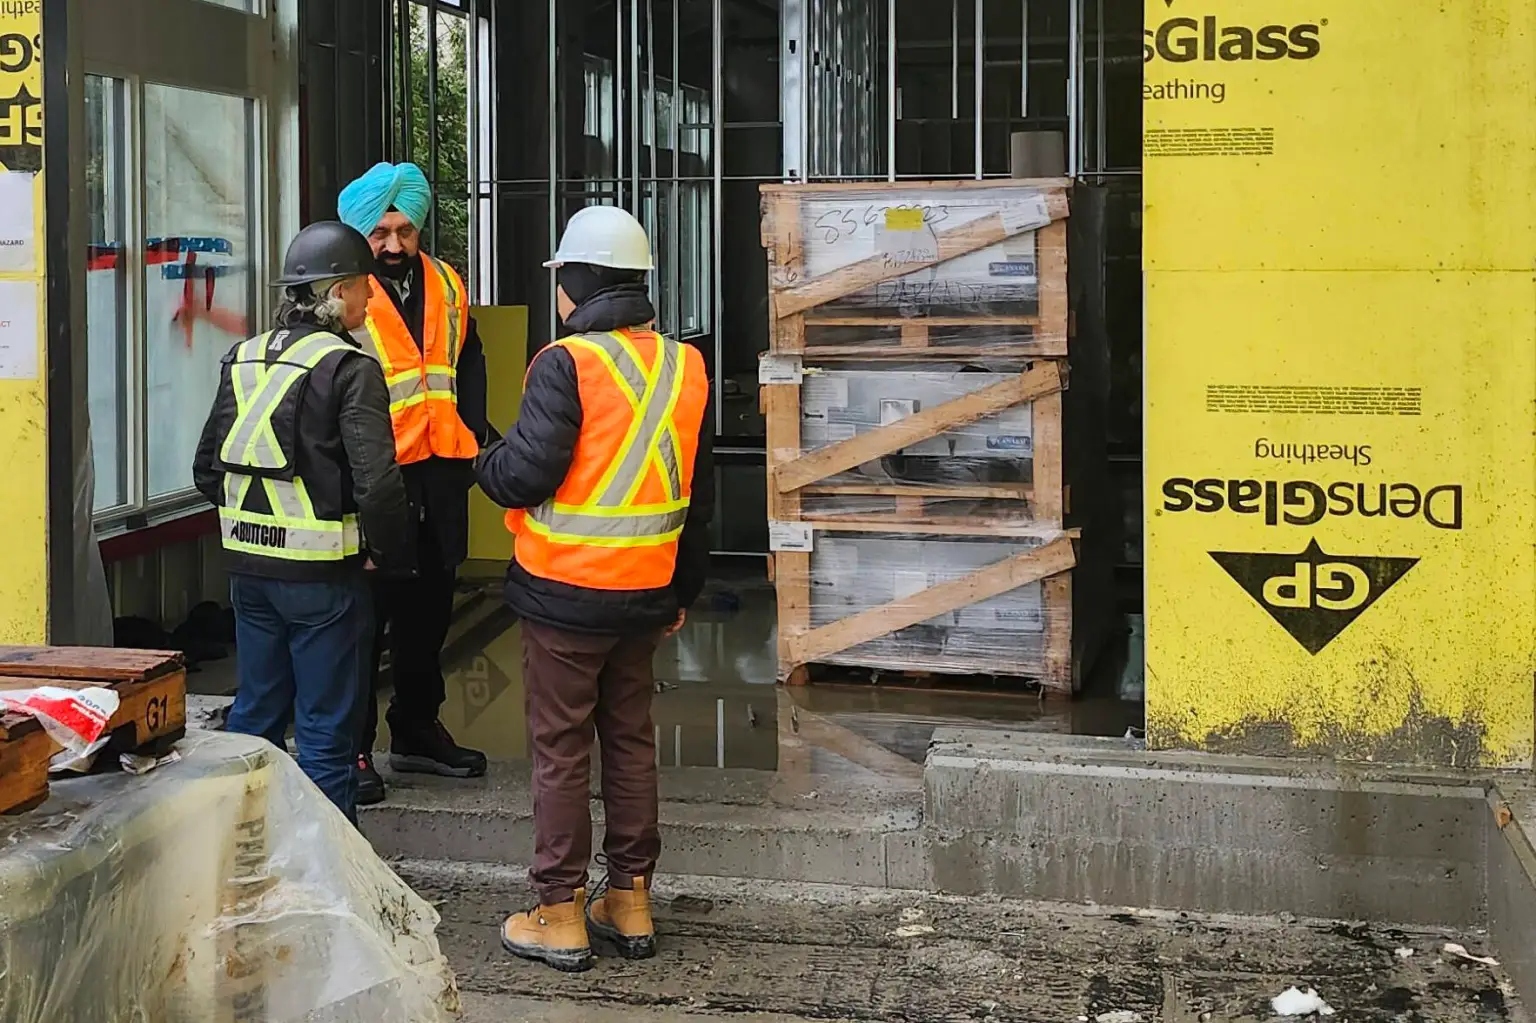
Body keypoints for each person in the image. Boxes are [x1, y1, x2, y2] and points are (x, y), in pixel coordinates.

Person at [475, 205, 714, 972]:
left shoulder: (565, 363)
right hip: (645, 593)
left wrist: (480, 454)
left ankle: (557, 909)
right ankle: (631, 897)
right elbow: (697, 494)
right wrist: (684, 587)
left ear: (573, 282)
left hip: (564, 597)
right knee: (631, 741)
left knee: (560, 751)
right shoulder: (686, 364)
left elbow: (523, 474)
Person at [192, 221, 414, 823]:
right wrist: (390, 557)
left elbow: (206, 472)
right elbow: (378, 484)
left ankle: (240, 855)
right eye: (365, 288)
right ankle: (323, 880)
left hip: (249, 573)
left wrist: (254, 522)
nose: (372, 299)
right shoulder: (349, 366)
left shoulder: (241, 357)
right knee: (324, 732)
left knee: (256, 718)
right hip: (324, 581)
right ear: (337, 292)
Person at [336, 162, 492, 803]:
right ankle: (351, 749)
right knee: (363, 621)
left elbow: (469, 362)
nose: (395, 245)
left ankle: (417, 729)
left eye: (405, 231)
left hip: (441, 473)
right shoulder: (338, 295)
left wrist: (474, 436)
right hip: (374, 480)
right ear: (357, 233)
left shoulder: (448, 284)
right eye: (380, 233)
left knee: (431, 612)